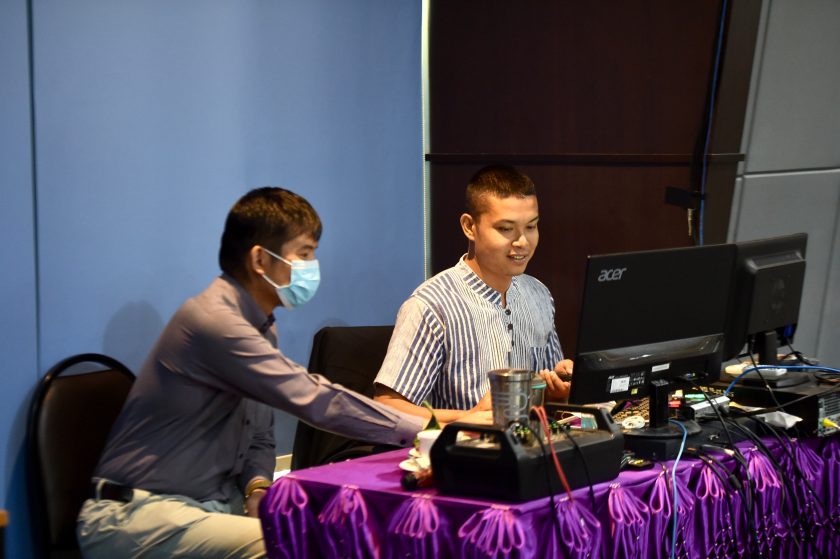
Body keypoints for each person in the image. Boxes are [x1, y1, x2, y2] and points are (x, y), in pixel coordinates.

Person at [77, 187, 483, 559]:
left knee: (335, 530)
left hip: (209, 508)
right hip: (139, 515)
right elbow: (316, 400)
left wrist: (257, 486)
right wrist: (430, 427)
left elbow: (258, 433)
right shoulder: (215, 322)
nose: (312, 267)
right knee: (296, 546)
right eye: (303, 254)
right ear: (260, 260)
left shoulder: (260, 325)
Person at [374, 165, 573, 423]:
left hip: (530, 443)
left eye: (531, 226)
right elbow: (387, 408)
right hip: (462, 445)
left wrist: (558, 389)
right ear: (469, 226)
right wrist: (468, 417)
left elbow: (546, 396)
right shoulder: (432, 305)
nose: (522, 242)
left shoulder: (539, 295)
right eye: (506, 229)